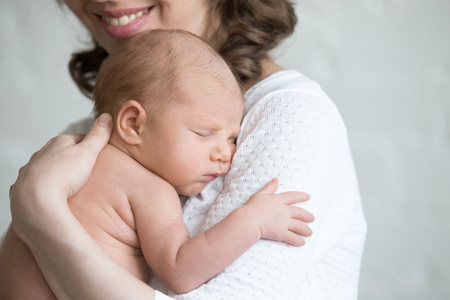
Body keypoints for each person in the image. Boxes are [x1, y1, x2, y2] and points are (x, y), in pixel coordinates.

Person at [0, 0, 367, 299]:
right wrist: (251, 221)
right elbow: (180, 266)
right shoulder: (129, 169)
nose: (224, 154)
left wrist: (40, 210)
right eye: (204, 132)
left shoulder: (290, 115)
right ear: (133, 124)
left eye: (231, 139)